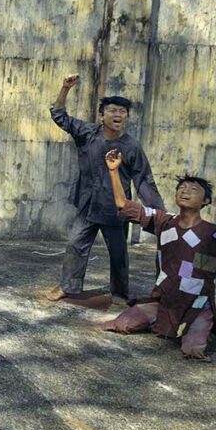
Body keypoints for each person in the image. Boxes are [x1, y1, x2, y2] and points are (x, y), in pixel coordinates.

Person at [100, 148, 216, 359]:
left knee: (192, 350)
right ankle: (159, 320)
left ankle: (197, 326)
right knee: (119, 324)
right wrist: (113, 171)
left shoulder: (215, 234)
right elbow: (124, 205)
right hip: (163, 301)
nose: (185, 191)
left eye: (193, 189)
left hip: (197, 305)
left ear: (206, 201)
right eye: (181, 188)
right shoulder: (164, 221)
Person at [45, 73, 165, 304]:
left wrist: (159, 214)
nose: (118, 114)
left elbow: (144, 180)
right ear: (101, 116)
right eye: (112, 110)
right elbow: (59, 116)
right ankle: (68, 287)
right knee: (75, 245)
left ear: (126, 118)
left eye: (122, 112)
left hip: (116, 210)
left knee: (119, 254)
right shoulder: (87, 134)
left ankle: (120, 292)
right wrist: (65, 88)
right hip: (88, 204)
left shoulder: (131, 147)